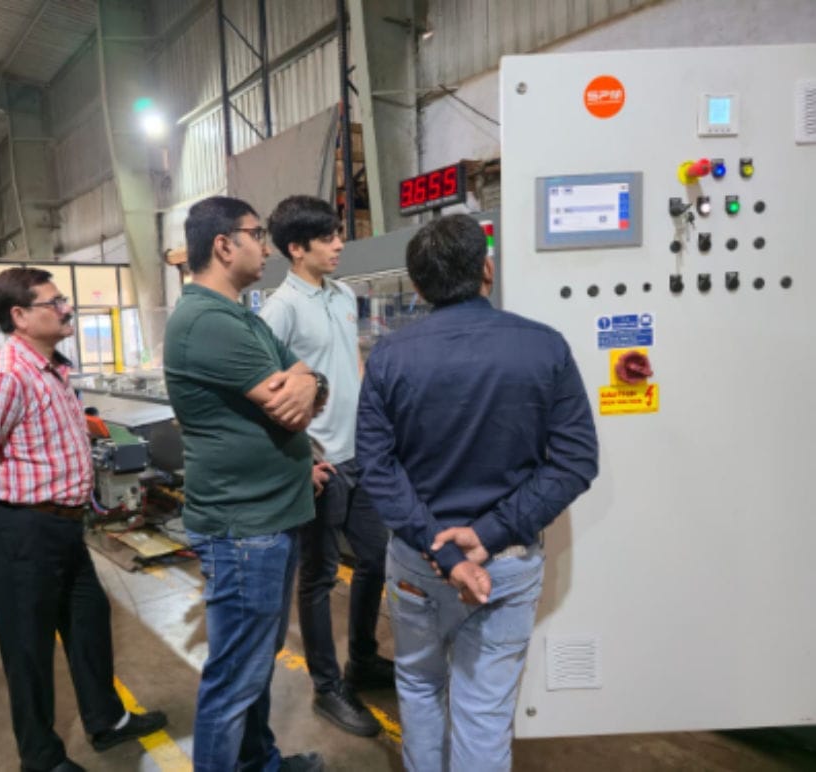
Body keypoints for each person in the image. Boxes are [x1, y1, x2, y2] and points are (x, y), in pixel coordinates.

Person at [356, 214, 599, 772]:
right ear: (487, 270)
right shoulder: (545, 348)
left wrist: (440, 551)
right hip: (505, 566)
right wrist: (486, 536)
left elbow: (377, 466)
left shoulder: (390, 358)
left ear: (418, 288)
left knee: (418, 686)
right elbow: (575, 461)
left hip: (419, 564)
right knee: (484, 709)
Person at [0, 267, 166, 772]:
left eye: (63, 299)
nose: (66, 308)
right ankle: (40, 756)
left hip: (62, 526)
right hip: (21, 529)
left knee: (88, 622)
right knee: (28, 645)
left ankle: (106, 721)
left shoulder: (53, 368)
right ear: (19, 316)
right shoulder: (7, 374)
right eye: (53, 302)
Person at [163, 196, 326, 772]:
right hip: (244, 529)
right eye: (257, 234)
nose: (267, 246)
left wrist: (310, 378)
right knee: (234, 680)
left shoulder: (241, 315)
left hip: (268, 520)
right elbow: (293, 405)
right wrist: (304, 386)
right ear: (224, 244)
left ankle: (261, 764)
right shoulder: (206, 322)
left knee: (254, 666)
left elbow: (305, 376)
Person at [260, 195, 389, 738]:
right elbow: (267, 393)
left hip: (361, 455)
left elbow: (352, 360)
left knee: (376, 558)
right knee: (316, 577)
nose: (340, 245)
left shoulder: (342, 294)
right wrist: (304, 460)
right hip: (322, 465)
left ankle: (363, 656)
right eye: (329, 237)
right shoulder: (278, 310)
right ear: (296, 248)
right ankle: (328, 687)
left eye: (340, 235)